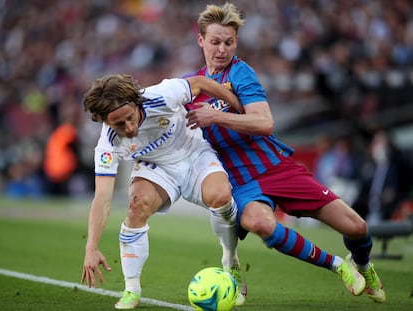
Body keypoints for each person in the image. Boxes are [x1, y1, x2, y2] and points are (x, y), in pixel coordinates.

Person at [185, 2, 385, 303]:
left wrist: (216, 116)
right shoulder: (190, 89)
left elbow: (265, 123)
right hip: (239, 182)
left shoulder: (240, 73)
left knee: (357, 227)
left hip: (277, 168)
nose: (222, 49)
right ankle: (336, 266)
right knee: (261, 223)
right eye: (215, 42)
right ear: (201, 40)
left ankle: (363, 265)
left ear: (235, 42)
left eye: (228, 42)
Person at [80, 73, 247, 309]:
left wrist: (242, 107)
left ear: (137, 104)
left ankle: (230, 261)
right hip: (156, 168)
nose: (129, 128)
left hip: (194, 153)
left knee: (220, 196)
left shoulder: (161, 95)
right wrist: (91, 247)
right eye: (119, 124)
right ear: (104, 121)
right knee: (137, 205)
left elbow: (200, 84)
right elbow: (102, 199)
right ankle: (131, 290)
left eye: (130, 118)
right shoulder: (107, 144)